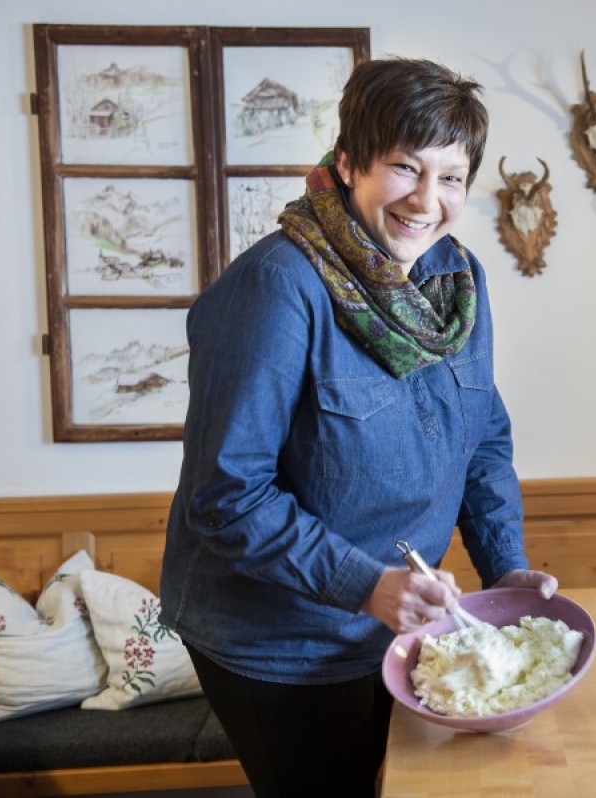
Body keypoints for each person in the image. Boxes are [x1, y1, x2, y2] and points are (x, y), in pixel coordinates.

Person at [159, 57, 557, 798]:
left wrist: (504, 570)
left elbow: (483, 437)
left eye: (452, 177)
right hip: (277, 641)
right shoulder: (277, 287)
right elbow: (226, 495)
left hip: (390, 625)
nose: (426, 200)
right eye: (404, 167)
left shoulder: (458, 282)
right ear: (348, 164)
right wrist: (366, 585)